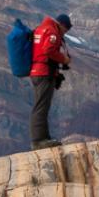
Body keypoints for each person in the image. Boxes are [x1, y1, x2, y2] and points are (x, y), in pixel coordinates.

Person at [29, 13, 72, 150]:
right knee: (41, 106)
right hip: (43, 72)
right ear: (62, 25)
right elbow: (48, 50)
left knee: (42, 105)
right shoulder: (52, 31)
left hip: (38, 71)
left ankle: (45, 137)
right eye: (66, 30)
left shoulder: (41, 29)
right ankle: (38, 140)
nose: (65, 33)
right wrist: (63, 59)